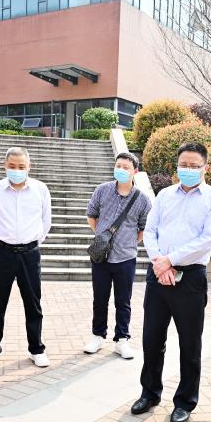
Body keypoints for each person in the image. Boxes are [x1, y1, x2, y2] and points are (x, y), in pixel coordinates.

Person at [131, 142, 211, 422]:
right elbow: (150, 230)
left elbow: (208, 239)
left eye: (194, 166)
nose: (188, 169)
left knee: (190, 343)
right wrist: (160, 262)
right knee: (151, 340)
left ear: (206, 168)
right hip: (158, 275)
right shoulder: (164, 195)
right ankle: (150, 393)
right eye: (183, 165)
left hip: (191, 278)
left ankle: (185, 401)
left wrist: (170, 260)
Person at [0, 147, 52, 369]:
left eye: (21, 167)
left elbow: (46, 220)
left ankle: (36, 349)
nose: (17, 170)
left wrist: (32, 242)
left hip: (29, 253)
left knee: (33, 303)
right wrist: (4, 239)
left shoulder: (40, 189)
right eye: (12, 166)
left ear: (29, 167)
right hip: (2, 252)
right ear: (4, 166)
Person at [84, 152, 152, 359]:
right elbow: (91, 215)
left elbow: (144, 228)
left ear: (135, 171)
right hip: (101, 257)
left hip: (126, 258)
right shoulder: (102, 190)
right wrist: (102, 237)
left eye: (126, 167)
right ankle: (98, 336)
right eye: (118, 166)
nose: (121, 170)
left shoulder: (142, 199)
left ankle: (122, 339)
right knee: (99, 298)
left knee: (123, 301)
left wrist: (128, 242)